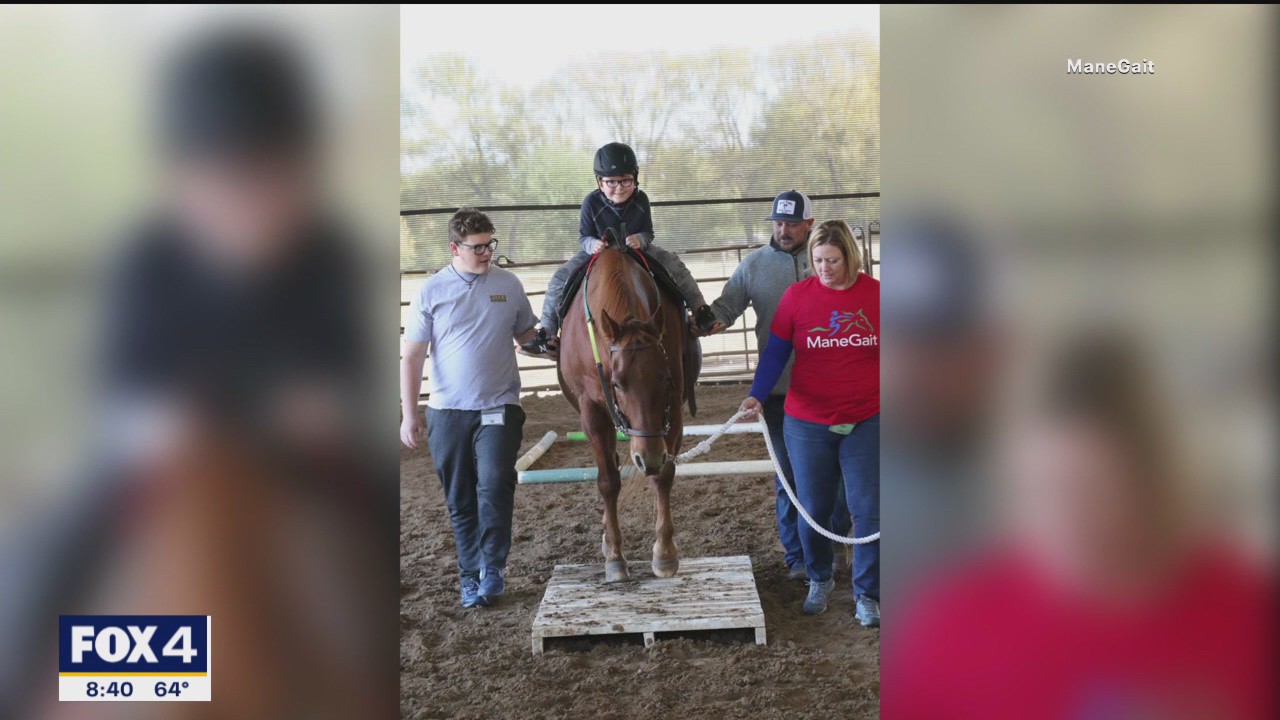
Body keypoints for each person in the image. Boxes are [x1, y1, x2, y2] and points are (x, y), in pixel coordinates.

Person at [740, 220, 880, 625]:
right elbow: (775, 354)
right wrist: (757, 394)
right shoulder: (796, 298)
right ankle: (819, 578)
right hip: (807, 421)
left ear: (849, 257)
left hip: (868, 418)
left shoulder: (877, 296)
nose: (824, 268)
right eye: (818, 260)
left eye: (832, 260)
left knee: (869, 511)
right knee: (813, 507)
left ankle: (868, 594)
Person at [706, 190, 851, 580]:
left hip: (835, 392)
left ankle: (835, 542)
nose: (783, 230)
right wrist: (705, 321)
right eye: (778, 223)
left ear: (809, 224)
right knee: (788, 478)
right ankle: (798, 559)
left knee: (839, 478)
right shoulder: (753, 266)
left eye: (791, 223)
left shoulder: (830, 263)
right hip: (778, 393)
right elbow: (726, 308)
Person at [400, 208, 538, 608]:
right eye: (477, 247)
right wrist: (410, 415)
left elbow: (527, 334)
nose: (486, 253)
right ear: (454, 248)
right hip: (447, 412)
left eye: (490, 244)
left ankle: (492, 567)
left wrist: (558, 348)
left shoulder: (508, 285)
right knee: (460, 498)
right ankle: (468, 575)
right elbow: (412, 358)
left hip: (500, 405)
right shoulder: (431, 291)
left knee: (495, 482)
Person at [520, 141, 721, 356]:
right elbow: (584, 236)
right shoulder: (590, 203)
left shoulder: (641, 199)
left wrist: (640, 240)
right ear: (600, 182)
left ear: (635, 178)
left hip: (636, 249)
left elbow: (648, 232)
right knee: (560, 277)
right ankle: (547, 332)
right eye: (612, 182)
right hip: (597, 252)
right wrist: (592, 244)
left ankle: (701, 311)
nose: (619, 187)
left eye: (626, 180)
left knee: (674, 264)